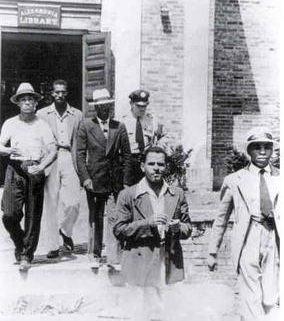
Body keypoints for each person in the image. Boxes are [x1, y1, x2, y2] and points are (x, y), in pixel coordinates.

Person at [207, 127, 280, 320]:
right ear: (249, 151)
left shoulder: (280, 178)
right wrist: (212, 252)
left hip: (274, 239)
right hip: (249, 236)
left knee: (271, 296)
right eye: (257, 147)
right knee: (250, 295)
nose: (263, 152)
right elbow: (221, 218)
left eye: (267, 147)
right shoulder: (235, 180)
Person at [113, 146, 192, 320]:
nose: (156, 168)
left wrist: (178, 228)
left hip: (168, 259)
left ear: (166, 167)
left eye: (160, 164)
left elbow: (188, 227)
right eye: (151, 164)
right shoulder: (128, 195)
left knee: (167, 311)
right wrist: (147, 223)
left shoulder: (176, 194)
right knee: (139, 312)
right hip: (139, 259)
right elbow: (119, 230)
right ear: (142, 166)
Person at [0, 83, 57, 271]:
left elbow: (52, 150)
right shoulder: (10, 123)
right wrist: (8, 150)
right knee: (9, 214)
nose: (27, 103)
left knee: (33, 215)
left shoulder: (42, 125)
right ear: (18, 103)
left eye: (30, 99)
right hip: (15, 168)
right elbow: (0, 146)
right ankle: (20, 241)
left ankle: (26, 254)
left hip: (34, 169)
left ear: (35, 103)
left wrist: (41, 167)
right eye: (23, 100)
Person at [76, 88, 132, 269]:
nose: (104, 109)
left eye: (107, 105)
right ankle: (95, 254)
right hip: (94, 179)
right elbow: (80, 154)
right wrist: (85, 178)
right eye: (100, 106)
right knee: (95, 217)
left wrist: (125, 181)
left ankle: (114, 257)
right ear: (95, 108)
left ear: (110, 106)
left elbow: (127, 156)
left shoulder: (119, 126)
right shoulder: (86, 125)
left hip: (115, 181)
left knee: (115, 218)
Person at [37, 79, 82, 258]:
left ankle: (65, 230)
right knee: (51, 203)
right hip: (51, 159)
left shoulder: (76, 114)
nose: (60, 95)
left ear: (67, 92)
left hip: (69, 157)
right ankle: (53, 246)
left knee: (73, 202)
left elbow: (80, 142)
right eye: (57, 92)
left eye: (63, 92)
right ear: (52, 93)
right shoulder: (42, 114)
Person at [120, 89, 166, 185]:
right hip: (129, 162)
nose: (142, 109)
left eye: (144, 106)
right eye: (139, 106)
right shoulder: (122, 121)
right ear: (131, 104)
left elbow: (163, 137)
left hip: (147, 161)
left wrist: (159, 149)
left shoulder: (152, 120)